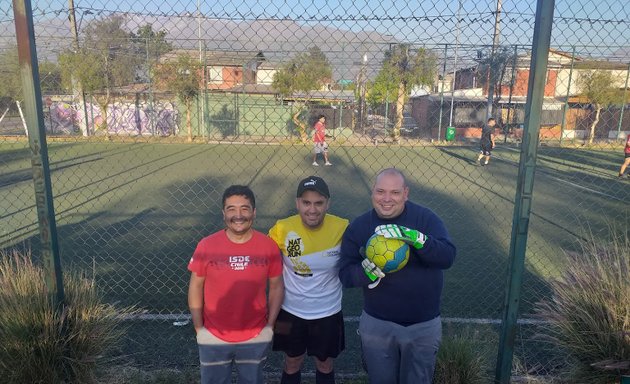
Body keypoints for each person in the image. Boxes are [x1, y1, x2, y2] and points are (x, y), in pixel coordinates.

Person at [338, 168, 456, 384]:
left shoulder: (425, 219)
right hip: (378, 325)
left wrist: (419, 240)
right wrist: (364, 274)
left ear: (406, 193)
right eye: (380, 191)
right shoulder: (360, 226)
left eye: (394, 192)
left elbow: (447, 257)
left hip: (423, 325)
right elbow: (345, 273)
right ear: (372, 192)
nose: (386, 199)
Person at [188, 185, 284, 384]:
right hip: (214, 335)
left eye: (244, 208)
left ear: (254, 212)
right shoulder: (206, 245)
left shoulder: (268, 246)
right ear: (223, 213)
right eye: (231, 209)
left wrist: (269, 326)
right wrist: (199, 329)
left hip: (255, 334)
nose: (238, 215)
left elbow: (276, 287)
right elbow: (196, 286)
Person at [268, 176, 349, 384]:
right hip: (290, 311)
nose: (312, 210)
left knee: (324, 364)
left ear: (327, 204)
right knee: (292, 362)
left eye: (318, 203)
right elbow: (264, 260)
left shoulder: (343, 228)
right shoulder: (282, 228)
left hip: (327, 311)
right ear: (297, 203)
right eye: (306, 203)